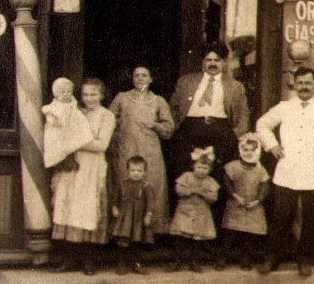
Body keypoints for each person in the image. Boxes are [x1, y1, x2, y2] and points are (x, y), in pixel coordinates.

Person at [255, 67, 314, 278]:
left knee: (311, 221)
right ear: (294, 84)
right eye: (300, 83)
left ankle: (304, 259)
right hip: (288, 172)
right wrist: (272, 146)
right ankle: (272, 257)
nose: (304, 87)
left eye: (308, 83)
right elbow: (262, 124)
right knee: (281, 217)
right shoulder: (285, 107)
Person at [169, 40, 250, 226]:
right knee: (185, 177)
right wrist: (176, 130)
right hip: (190, 132)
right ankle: (184, 230)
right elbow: (172, 108)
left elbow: (244, 114)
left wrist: (234, 136)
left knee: (217, 180)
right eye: (208, 60)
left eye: (217, 60)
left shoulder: (235, 86)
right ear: (202, 61)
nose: (212, 64)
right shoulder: (186, 82)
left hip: (221, 134)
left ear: (224, 62)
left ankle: (212, 232)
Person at [47, 78, 115, 275]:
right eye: (85, 94)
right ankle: (69, 258)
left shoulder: (106, 116)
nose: (89, 98)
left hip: (92, 167)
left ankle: (89, 260)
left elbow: (101, 144)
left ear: (101, 95)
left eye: (93, 94)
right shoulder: (75, 112)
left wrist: (74, 140)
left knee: (88, 210)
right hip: (73, 165)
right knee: (69, 208)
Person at [108, 66, 175, 235]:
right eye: (136, 75)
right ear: (132, 78)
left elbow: (169, 128)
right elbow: (108, 120)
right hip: (127, 148)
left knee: (152, 185)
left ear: (151, 79)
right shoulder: (122, 98)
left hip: (150, 150)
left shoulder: (158, 101)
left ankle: (150, 232)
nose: (140, 78)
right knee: (125, 184)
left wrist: (155, 124)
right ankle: (124, 231)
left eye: (144, 75)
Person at [216, 134, 270, 271]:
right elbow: (227, 184)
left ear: (257, 151)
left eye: (252, 150)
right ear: (240, 151)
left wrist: (257, 201)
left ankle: (246, 259)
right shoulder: (232, 167)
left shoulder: (261, 170)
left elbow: (264, 188)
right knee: (230, 234)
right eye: (245, 150)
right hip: (236, 204)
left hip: (254, 206)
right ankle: (222, 258)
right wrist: (236, 197)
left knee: (249, 237)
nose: (249, 153)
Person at [168, 147, 220, 272]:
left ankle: (194, 262)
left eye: (205, 168)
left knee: (197, 240)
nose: (202, 171)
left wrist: (203, 194)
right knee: (180, 238)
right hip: (185, 211)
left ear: (210, 169)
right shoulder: (187, 176)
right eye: (199, 167)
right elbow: (179, 190)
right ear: (193, 166)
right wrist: (192, 190)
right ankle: (177, 261)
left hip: (201, 213)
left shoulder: (211, 182)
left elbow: (214, 198)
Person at [111, 155, 155, 275]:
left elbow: (151, 202)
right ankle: (121, 263)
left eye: (139, 171)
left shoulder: (146, 186)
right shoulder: (122, 184)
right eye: (133, 170)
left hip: (138, 218)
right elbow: (115, 197)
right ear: (128, 170)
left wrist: (148, 215)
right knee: (123, 240)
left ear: (144, 172)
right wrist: (114, 207)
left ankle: (136, 263)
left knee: (137, 240)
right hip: (125, 217)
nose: (136, 173)